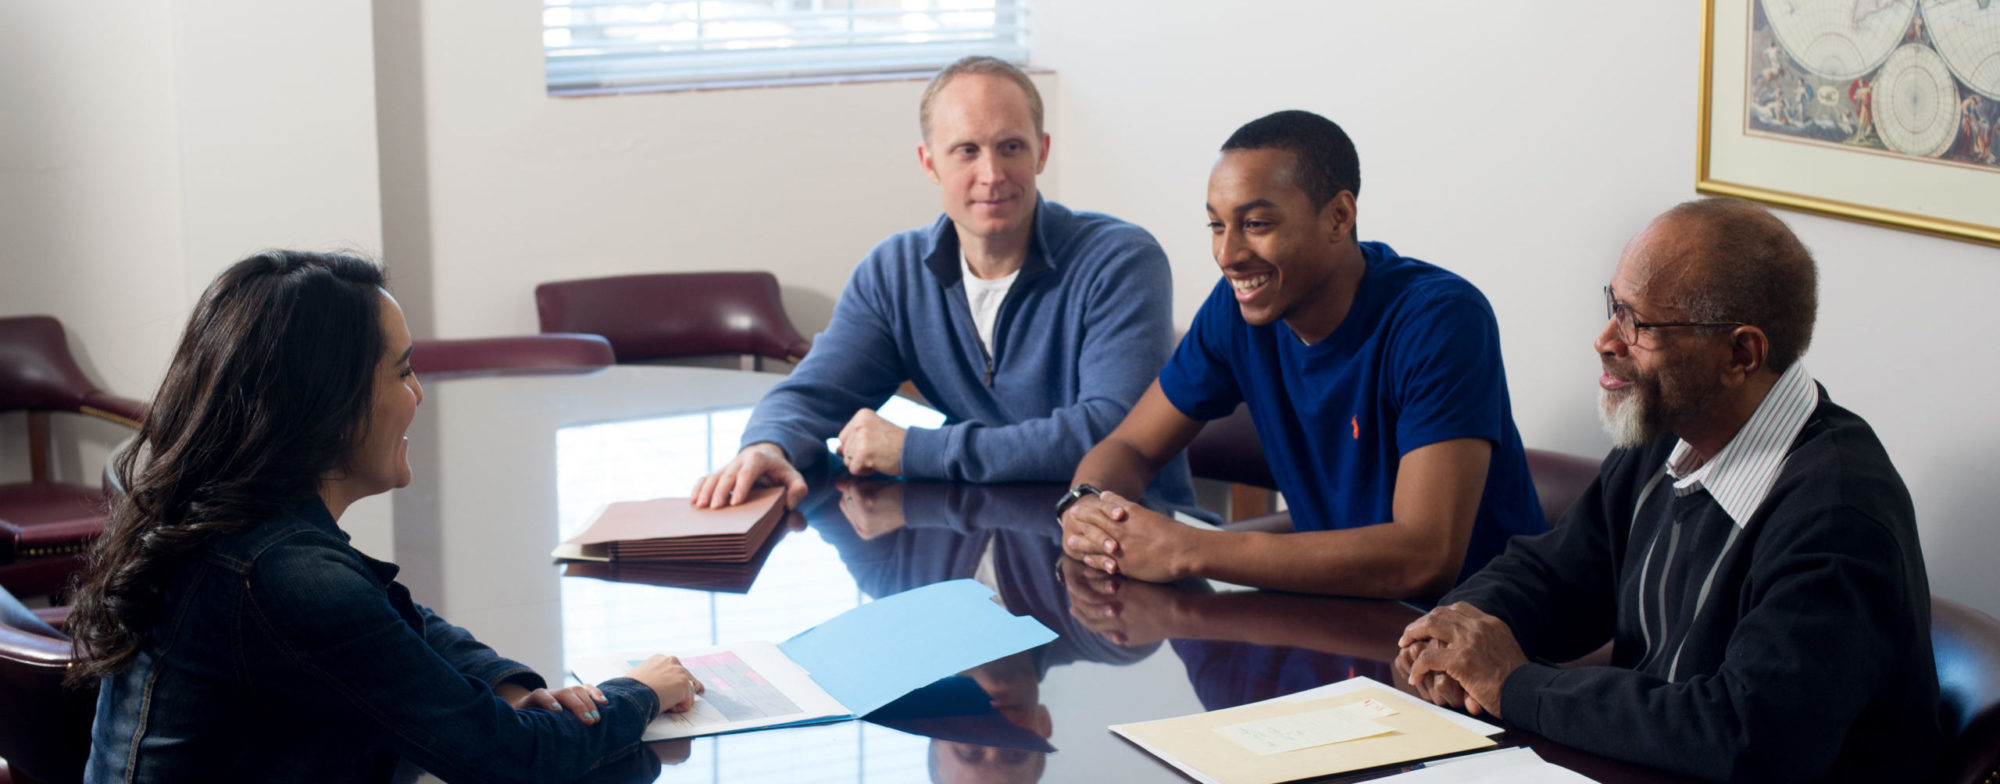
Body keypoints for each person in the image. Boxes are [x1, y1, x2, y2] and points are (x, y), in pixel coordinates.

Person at [67, 252, 704, 783]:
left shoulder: (227, 517)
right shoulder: (280, 576)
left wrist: (505, 683)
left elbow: (389, 619)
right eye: (402, 371)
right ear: (328, 401)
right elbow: (514, 761)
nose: (419, 394)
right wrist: (639, 690)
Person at [1396, 199, 1942, 782]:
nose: (1606, 339)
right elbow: (1554, 576)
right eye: (1614, 305)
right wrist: (1452, 635)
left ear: (1741, 354)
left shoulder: (1838, 513)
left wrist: (1515, 686)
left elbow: (1746, 735)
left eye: (1638, 322)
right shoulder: (1666, 435)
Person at [1058, 110, 1543, 599]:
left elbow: (1424, 559)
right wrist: (1087, 505)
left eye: (1256, 223)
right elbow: (1132, 447)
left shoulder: (1441, 320)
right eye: (1216, 225)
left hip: (1477, 638)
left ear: (1338, 217)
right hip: (1342, 617)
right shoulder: (1236, 309)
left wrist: (1190, 548)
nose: (1227, 254)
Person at [693, 56, 1193, 511]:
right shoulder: (894, 273)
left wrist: (915, 449)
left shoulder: (1120, 261)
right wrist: (767, 446)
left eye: (1010, 147)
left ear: (1041, 153)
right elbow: (813, 394)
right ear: (929, 162)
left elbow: (1109, 436)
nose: (991, 174)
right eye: (966, 151)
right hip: (985, 537)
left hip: (1127, 548)